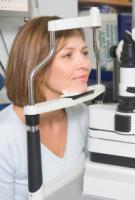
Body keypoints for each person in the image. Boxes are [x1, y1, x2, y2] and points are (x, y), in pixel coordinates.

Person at [0, 16, 92, 199]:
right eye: (68, 55)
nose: (86, 65)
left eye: (84, 53)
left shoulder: (82, 114)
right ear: (36, 64)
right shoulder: (5, 136)